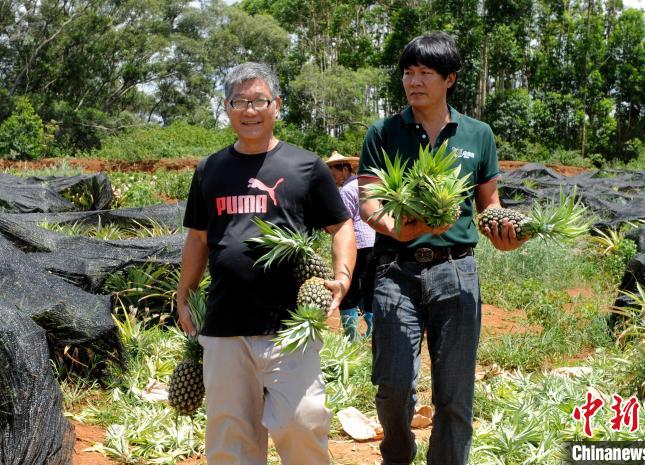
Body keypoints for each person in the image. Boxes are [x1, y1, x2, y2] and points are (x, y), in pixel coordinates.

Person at [357, 32, 526, 465]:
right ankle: (398, 453)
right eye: (408, 73)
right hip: (396, 269)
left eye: (425, 73)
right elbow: (370, 204)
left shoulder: (478, 135)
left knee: (454, 393)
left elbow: (489, 204)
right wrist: (402, 229)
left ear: (449, 79)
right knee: (393, 385)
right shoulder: (384, 133)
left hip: (457, 271)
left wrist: (503, 233)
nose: (413, 82)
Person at [176, 62, 356, 465]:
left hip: (289, 324)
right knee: (229, 438)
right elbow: (199, 238)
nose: (250, 110)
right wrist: (183, 294)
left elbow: (341, 226)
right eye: (240, 101)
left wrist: (341, 278)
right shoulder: (209, 169)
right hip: (224, 326)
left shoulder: (305, 166)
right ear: (227, 108)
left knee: (303, 420)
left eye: (259, 101)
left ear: (276, 106)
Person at [326, 151, 376, 340]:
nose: (332, 176)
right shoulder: (363, 185)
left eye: (333, 171)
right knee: (370, 287)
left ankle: (352, 337)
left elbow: (341, 222)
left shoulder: (346, 191)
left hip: (356, 245)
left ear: (345, 169)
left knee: (348, 288)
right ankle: (372, 331)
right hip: (372, 241)